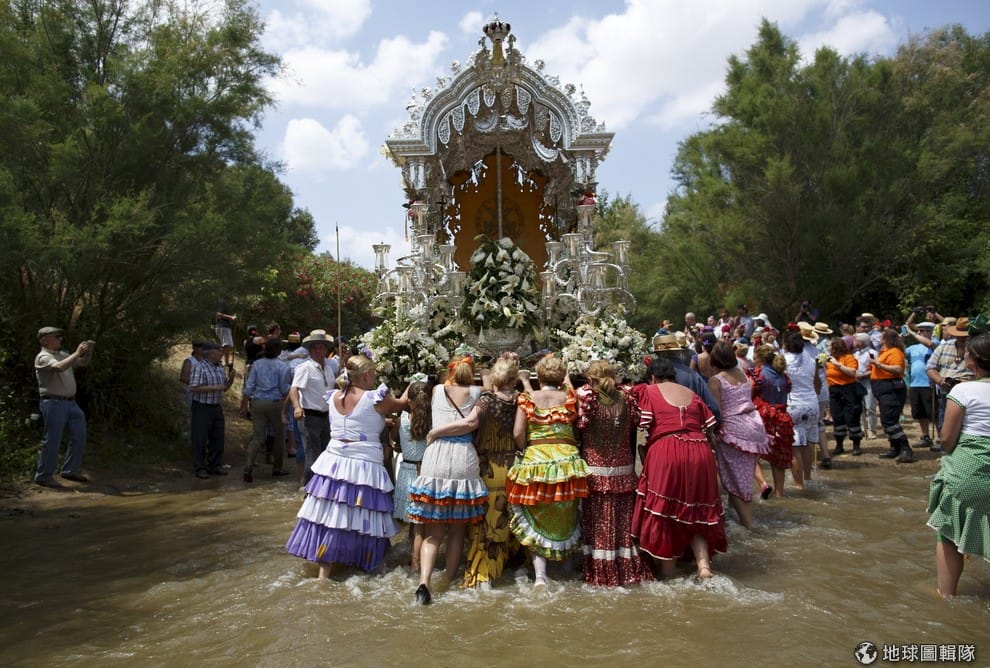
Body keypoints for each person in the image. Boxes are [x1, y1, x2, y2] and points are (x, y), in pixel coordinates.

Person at [285, 351, 408, 579]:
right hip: (363, 464)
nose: (374, 377)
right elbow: (402, 403)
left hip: (334, 461)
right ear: (366, 375)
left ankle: (324, 572)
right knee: (365, 514)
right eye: (373, 373)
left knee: (332, 513)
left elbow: (356, 419)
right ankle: (366, 566)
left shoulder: (333, 396)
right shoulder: (375, 398)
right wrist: (413, 383)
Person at [426, 355, 524, 588]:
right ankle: (506, 568)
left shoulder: (486, 401)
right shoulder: (521, 400)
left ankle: (482, 573)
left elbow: (470, 423)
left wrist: (436, 432)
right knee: (507, 518)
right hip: (512, 467)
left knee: (485, 523)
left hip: (488, 467)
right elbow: (519, 435)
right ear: (513, 380)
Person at [631, 356, 726, 579]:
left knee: (666, 512)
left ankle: (669, 572)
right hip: (700, 451)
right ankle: (704, 567)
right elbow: (711, 425)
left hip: (667, 450)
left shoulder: (648, 390)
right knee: (698, 510)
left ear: (652, 377)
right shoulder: (691, 394)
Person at [407, 355, 488, 604]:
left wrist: (436, 432)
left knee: (433, 530)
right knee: (456, 529)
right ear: (472, 373)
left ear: (450, 371)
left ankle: (424, 582)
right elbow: (474, 420)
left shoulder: (438, 390)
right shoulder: (478, 393)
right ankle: (449, 580)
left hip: (436, 457)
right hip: (463, 457)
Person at [507, 354, 590, 587]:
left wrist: (525, 449)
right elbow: (572, 398)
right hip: (567, 462)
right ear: (561, 377)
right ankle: (567, 569)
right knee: (567, 513)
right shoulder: (569, 396)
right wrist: (567, 377)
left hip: (537, 460)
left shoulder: (527, 398)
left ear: (539, 377)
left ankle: (540, 576)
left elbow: (517, 433)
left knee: (538, 515)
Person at [575, 360, 653, 586]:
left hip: (596, 471)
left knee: (599, 524)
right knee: (623, 524)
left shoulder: (587, 397)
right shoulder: (628, 397)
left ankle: (602, 573)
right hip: (624, 470)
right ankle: (628, 569)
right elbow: (637, 424)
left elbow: (578, 425)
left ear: (591, 379)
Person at [926, 333, 990, 597]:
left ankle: (946, 596)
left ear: (972, 360)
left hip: (968, 475)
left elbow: (946, 439)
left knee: (948, 534)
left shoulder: (962, 391)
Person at [707, 341, 770, 529]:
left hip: (733, 431)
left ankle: (748, 525)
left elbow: (717, 412)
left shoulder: (716, 380)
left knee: (733, 479)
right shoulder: (742, 374)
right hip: (753, 426)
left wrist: (709, 434)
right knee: (743, 475)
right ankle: (736, 517)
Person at [33, 327, 95, 488]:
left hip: (71, 403)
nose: (60, 339)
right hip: (53, 403)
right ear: (44, 340)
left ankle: (69, 470)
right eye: (56, 336)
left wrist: (87, 352)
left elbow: (82, 363)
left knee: (79, 436)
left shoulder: (63, 354)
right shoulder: (43, 357)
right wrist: (77, 352)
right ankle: (43, 476)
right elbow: (58, 367)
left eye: (60, 336)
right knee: (52, 440)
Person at [392, 378, 431, 575]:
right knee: (421, 526)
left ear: (409, 401)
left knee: (413, 525)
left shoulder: (402, 420)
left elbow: (394, 441)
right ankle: (417, 564)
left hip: (406, 472)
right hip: (426, 472)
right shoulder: (433, 422)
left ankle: (413, 561)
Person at [240, 338, 291, 482]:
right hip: (275, 403)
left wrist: (244, 404)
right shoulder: (283, 366)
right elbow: (284, 388)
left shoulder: (257, 364)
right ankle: (277, 468)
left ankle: (248, 466)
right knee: (279, 435)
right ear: (279, 351)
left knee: (258, 437)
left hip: (257, 402)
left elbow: (249, 386)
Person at [289, 330, 336, 483]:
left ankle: (321, 485)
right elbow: (294, 389)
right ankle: (309, 485)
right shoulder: (305, 367)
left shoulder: (329, 368)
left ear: (326, 350)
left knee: (326, 451)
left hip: (326, 416)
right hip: (309, 415)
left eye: (321, 347)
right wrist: (297, 407)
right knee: (312, 452)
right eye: (314, 348)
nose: (318, 351)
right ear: (309, 350)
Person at [748, 344, 794, 499]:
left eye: (755, 358)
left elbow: (748, 396)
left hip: (763, 417)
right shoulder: (783, 376)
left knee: (750, 452)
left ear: (761, 360)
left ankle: (763, 484)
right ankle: (780, 494)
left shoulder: (758, 374)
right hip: (782, 419)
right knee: (778, 459)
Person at [188, 341, 236, 478]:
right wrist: (215, 388)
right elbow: (193, 388)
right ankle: (200, 468)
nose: (221, 354)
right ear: (209, 353)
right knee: (200, 438)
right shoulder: (200, 367)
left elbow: (224, 388)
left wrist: (231, 380)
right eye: (218, 351)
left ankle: (214, 465)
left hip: (216, 407)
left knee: (218, 437)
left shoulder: (219, 368)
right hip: (202, 407)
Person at [927, 318, 975, 449]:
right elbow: (930, 367)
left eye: (964, 336)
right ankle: (946, 451)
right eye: (959, 335)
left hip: (969, 392)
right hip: (946, 390)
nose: (961, 338)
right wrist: (940, 380)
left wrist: (967, 381)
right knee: (945, 423)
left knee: (966, 424)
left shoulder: (976, 348)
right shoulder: (944, 346)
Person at [782, 329, 820, 489]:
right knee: (808, 443)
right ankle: (808, 479)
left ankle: (798, 485)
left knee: (795, 445)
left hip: (793, 404)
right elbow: (817, 382)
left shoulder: (783, 360)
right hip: (812, 403)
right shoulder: (811, 359)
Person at [871, 328, 914, 463]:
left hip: (892, 388)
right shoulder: (884, 351)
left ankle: (906, 449)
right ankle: (895, 447)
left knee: (890, 419)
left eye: (882, 337)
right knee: (886, 419)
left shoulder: (895, 352)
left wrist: (878, 364)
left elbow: (898, 369)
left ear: (887, 339)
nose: (879, 339)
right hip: (883, 388)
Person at [825, 337, 864, 456]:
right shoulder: (829, 359)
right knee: (837, 417)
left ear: (836, 347)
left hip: (849, 389)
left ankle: (856, 445)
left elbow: (852, 372)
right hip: (834, 390)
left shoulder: (848, 358)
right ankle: (839, 445)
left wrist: (838, 365)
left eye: (830, 346)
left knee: (852, 416)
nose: (828, 348)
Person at [905, 321, 938, 448]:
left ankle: (940, 439)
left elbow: (930, 344)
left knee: (933, 413)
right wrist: (899, 340)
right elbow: (902, 352)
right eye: (918, 330)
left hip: (929, 384)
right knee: (920, 413)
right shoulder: (913, 348)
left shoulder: (936, 343)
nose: (919, 333)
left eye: (922, 330)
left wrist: (912, 333)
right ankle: (925, 436)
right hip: (915, 384)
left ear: (930, 332)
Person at [214, 302, 237, 368]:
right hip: (223, 326)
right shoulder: (223, 302)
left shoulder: (228, 304)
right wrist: (231, 317)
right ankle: (215, 360)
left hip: (225, 327)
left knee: (228, 346)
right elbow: (218, 314)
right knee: (227, 345)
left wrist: (233, 320)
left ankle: (226, 364)